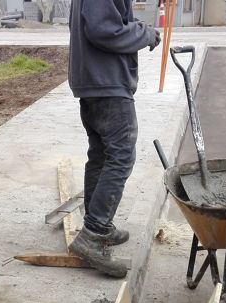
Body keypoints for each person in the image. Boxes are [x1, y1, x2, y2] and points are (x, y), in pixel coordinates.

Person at [67, 0, 161, 277]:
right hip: (106, 82)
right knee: (120, 157)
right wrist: (145, 33)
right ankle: (93, 234)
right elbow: (104, 30)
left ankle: (97, 226)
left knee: (101, 155)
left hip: (95, 81)